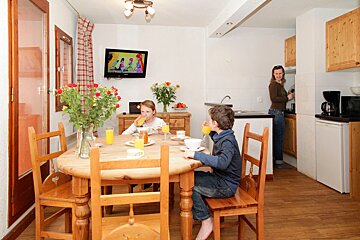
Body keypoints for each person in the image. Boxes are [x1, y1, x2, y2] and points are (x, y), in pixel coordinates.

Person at [184, 105, 241, 240]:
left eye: (210, 120)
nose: (208, 122)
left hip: (226, 186)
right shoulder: (225, 135)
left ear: (215, 123)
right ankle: (199, 213)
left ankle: (206, 220)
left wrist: (196, 155)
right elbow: (217, 140)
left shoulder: (228, 141)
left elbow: (222, 162)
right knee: (190, 178)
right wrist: (210, 132)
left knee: (190, 187)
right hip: (220, 179)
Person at [268, 65, 294, 165]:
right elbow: (274, 98)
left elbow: (279, 97)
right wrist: (288, 98)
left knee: (277, 137)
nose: (278, 75)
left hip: (278, 112)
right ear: (273, 74)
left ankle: (276, 160)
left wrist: (287, 95)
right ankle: (278, 161)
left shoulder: (280, 85)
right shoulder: (274, 85)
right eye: (276, 74)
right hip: (277, 112)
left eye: (280, 73)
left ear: (283, 74)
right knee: (278, 137)